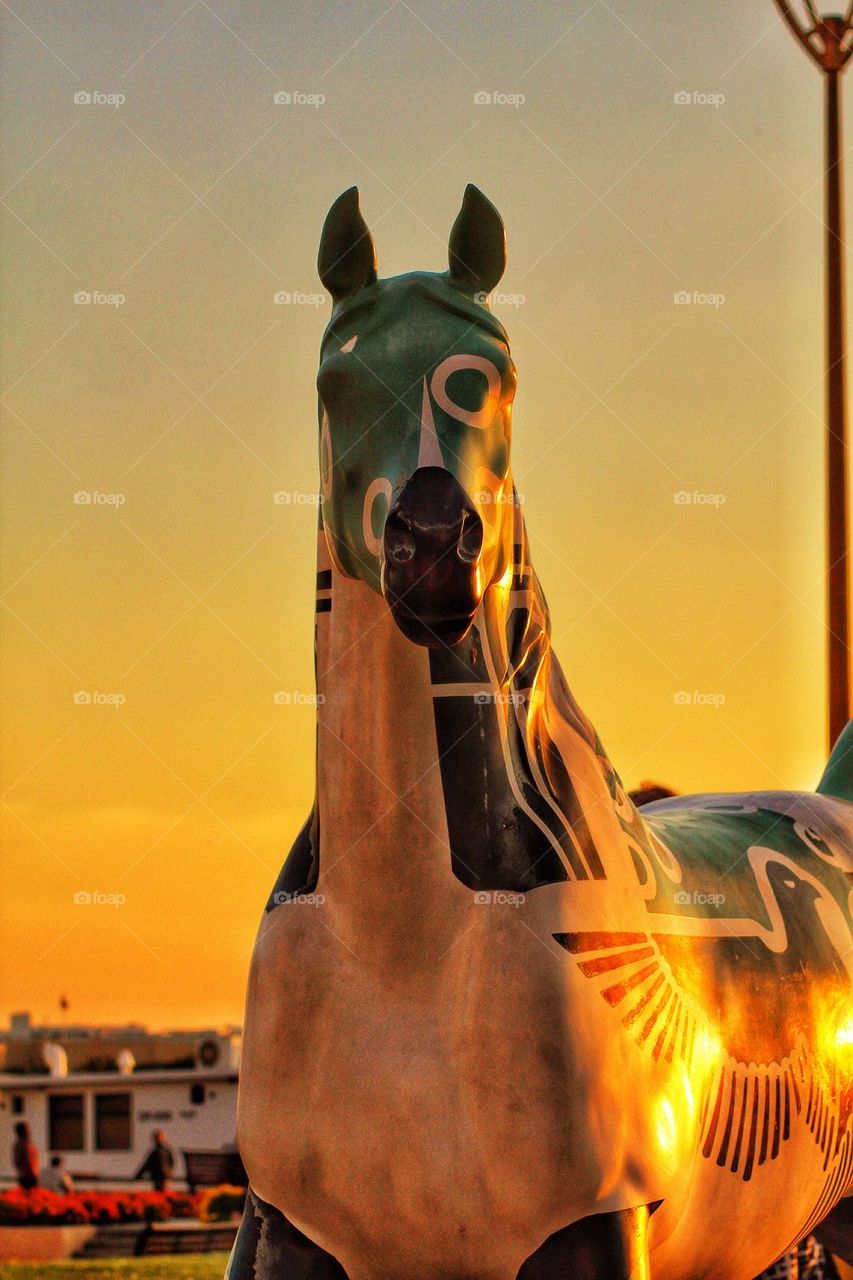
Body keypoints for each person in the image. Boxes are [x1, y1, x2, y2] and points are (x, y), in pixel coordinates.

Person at [12, 1121, 39, 1190]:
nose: (30, 1131)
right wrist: (33, 1173)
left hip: (23, 1174)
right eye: (28, 1129)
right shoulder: (24, 1144)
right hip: (29, 1175)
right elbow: (28, 1159)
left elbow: (16, 1161)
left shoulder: (17, 1144)